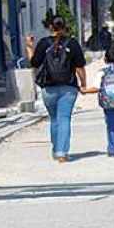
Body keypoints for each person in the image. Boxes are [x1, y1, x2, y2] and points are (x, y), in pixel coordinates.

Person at [25, 17, 87, 163]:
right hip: (68, 88)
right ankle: (62, 153)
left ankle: (55, 149)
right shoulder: (72, 44)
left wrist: (28, 47)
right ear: (65, 27)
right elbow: (80, 68)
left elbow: (34, 63)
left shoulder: (43, 44)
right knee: (64, 119)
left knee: (54, 119)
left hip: (49, 88)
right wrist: (83, 84)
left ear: (50, 28)